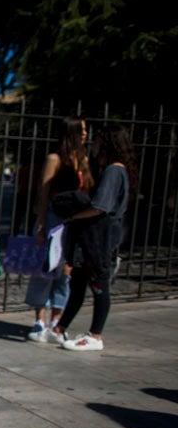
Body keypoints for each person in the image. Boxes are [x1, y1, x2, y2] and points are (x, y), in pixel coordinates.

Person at [45, 123, 136, 352]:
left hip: (100, 239)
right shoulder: (117, 170)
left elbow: (99, 206)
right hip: (95, 238)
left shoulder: (113, 171)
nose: (93, 144)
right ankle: (59, 328)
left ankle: (95, 335)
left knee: (99, 284)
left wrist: (72, 217)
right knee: (79, 283)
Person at [26, 116, 90, 343]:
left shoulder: (82, 159)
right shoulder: (55, 159)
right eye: (81, 130)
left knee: (66, 273)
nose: (85, 134)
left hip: (73, 222)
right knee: (45, 270)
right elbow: (43, 194)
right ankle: (39, 319)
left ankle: (57, 319)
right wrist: (42, 225)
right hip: (53, 220)